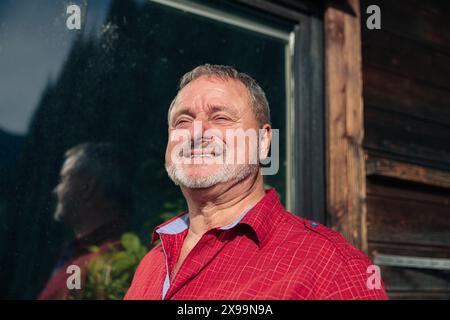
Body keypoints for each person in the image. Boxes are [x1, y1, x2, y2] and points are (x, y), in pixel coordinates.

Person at [125, 64, 388, 300]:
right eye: (182, 121)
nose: (196, 132)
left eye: (221, 117)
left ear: (263, 143)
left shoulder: (332, 268)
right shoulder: (153, 263)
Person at [38, 142, 132, 299]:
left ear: (87, 188)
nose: (55, 191)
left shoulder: (110, 261)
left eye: (63, 179)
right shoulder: (82, 255)